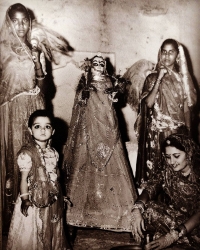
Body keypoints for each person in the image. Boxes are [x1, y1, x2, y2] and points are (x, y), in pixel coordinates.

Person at [62, 53, 137, 233]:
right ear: (90, 66)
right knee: (84, 165)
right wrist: (84, 94)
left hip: (107, 127)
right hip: (88, 128)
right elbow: (79, 100)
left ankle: (117, 216)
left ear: (105, 66)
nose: (98, 65)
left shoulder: (109, 82)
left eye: (101, 63)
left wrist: (114, 96)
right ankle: (80, 215)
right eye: (95, 62)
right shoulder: (85, 81)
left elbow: (113, 101)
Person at [0, 3, 46, 232]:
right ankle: (12, 224)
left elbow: (45, 88)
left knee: (35, 162)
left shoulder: (35, 47)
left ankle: (33, 226)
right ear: (8, 22)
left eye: (24, 20)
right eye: (15, 20)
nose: (20, 25)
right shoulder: (1, 49)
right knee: (14, 165)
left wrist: (37, 61)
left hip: (33, 108)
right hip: (10, 112)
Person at [135, 39, 197, 189]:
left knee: (177, 170)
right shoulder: (151, 78)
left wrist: (188, 134)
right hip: (157, 133)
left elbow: (186, 109)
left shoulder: (183, 80)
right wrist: (159, 78)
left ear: (177, 56)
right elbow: (148, 104)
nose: (167, 55)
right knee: (158, 171)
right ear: (160, 53)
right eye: (164, 51)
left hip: (177, 132)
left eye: (171, 52)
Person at [6, 110, 68, 250]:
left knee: (53, 225)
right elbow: (23, 180)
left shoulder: (54, 152)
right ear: (30, 130)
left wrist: (61, 195)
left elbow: (56, 176)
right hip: (33, 199)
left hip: (52, 197)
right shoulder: (26, 154)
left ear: (53, 131)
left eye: (47, 126)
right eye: (37, 126)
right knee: (33, 230)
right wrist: (25, 199)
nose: (42, 130)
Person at [131, 133, 200, 250]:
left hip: (195, 224)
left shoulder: (198, 173)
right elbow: (151, 187)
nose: (171, 162)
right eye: (168, 157)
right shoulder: (168, 171)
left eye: (176, 156)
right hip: (178, 220)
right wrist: (137, 208)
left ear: (189, 153)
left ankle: (178, 239)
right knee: (148, 209)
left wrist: (174, 235)